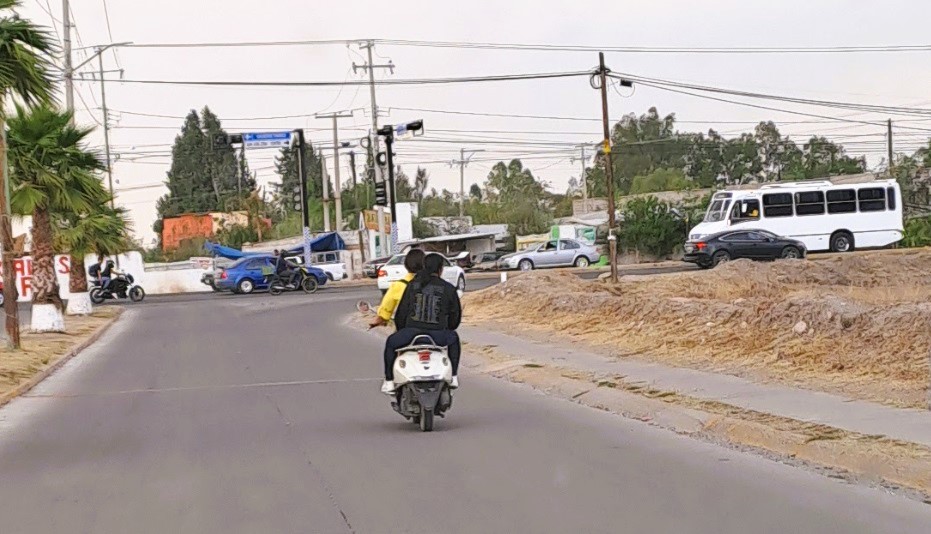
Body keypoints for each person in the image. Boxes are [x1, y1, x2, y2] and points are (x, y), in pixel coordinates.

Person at [381, 253, 462, 394]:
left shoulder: (413, 285)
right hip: (438, 336)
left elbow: (402, 312)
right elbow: (455, 316)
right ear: (440, 269)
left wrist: (402, 330)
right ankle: (453, 376)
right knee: (454, 338)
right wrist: (448, 328)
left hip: (411, 334)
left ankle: (389, 382)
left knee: (390, 343)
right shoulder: (448, 288)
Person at [369, 249, 425, 329]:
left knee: (391, 341)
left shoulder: (398, 286)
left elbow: (386, 309)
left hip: (406, 332)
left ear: (406, 265)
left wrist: (381, 319)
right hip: (435, 334)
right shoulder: (436, 285)